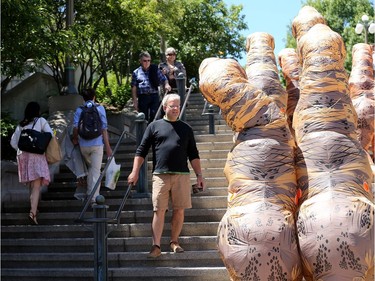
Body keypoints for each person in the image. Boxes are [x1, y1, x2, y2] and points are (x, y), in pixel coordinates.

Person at [127, 93, 205, 258]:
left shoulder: (186, 128)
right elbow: (141, 151)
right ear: (164, 107)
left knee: (179, 210)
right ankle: (156, 246)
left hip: (182, 175)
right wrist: (134, 172)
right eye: (172, 105)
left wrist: (199, 175)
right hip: (160, 175)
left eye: (178, 105)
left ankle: (174, 242)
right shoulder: (154, 126)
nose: (176, 108)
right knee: (159, 210)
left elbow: (194, 154)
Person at [10, 101, 53, 225]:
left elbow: (13, 143)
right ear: (37, 111)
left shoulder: (21, 125)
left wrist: (23, 150)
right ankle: (33, 212)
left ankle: (34, 208)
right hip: (36, 156)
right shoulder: (41, 121)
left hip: (23, 156)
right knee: (36, 185)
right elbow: (49, 134)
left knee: (31, 184)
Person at [72, 88, 112, 205]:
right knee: (95, 170)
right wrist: (108, 147)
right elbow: (104, 128)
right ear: (94, 97)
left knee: (91, 168)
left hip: (83, 144)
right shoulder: (99, 108)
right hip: (97, 144)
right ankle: (93, 198)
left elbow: (75, 127)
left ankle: (89, 193)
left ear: (83, 98)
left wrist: (75, 139)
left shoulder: (80, 109)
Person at [131, 51, 171, 122]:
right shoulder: (136, 72)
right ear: (140, 61)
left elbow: (164, 79)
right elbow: (134, 87)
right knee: (143, 117)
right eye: (145, 61)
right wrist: (135, 101)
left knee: (154, 116)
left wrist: (167, 84)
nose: (147, 62)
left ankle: (153, 131)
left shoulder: (155, 69)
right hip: (143, 97)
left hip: (154, 95)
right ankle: (145, 132)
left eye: (149, 60)